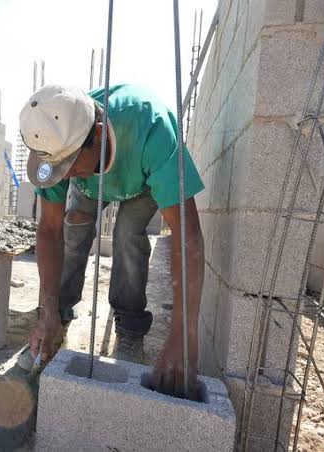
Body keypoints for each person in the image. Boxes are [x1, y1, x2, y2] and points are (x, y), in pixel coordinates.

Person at [19, 84, 205, 399]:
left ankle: (130, 329)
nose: (64, 178)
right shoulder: (55, 141)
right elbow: (49, 230)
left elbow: (188, 236)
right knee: (73, 229)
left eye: (70, 166)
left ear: (101, 134)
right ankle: (56, 321)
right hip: (93, 184)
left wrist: (183, 333)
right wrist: (47, 308)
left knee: (127, 235)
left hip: (141, 181)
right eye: (57, 170)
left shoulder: (153, 131)